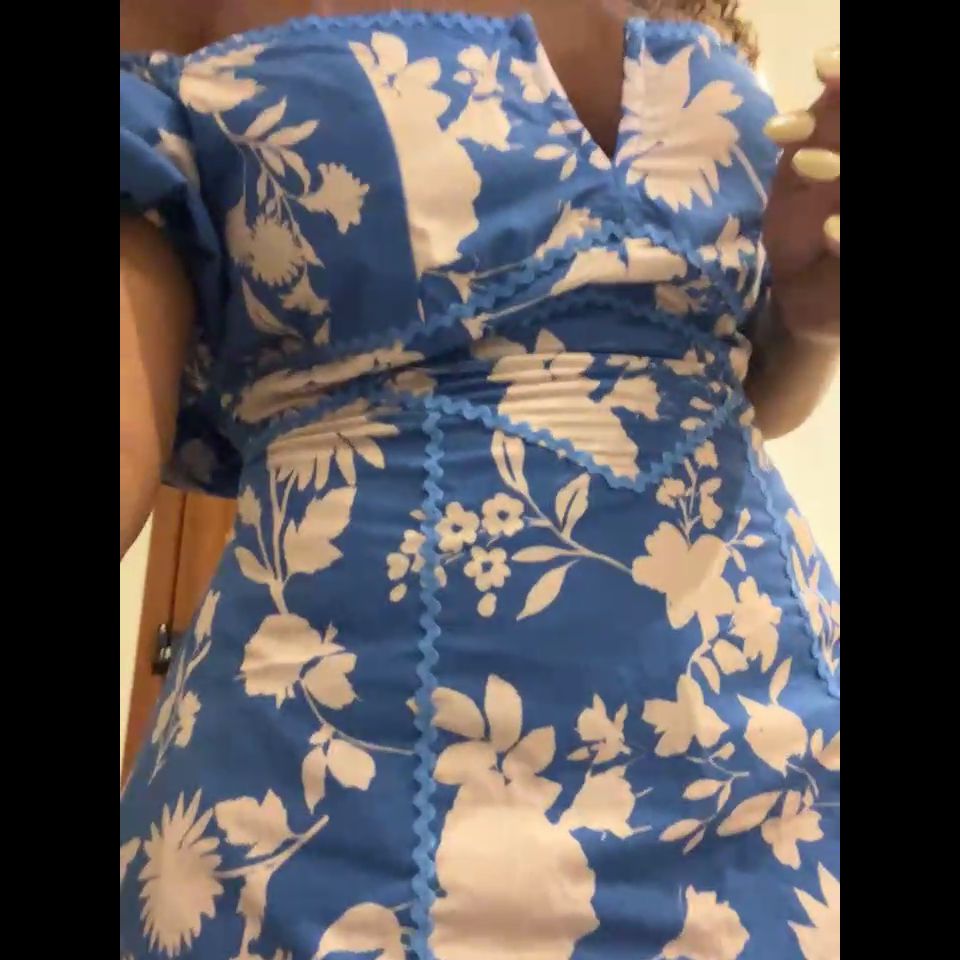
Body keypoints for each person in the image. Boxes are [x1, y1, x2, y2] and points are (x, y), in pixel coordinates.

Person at [119, 2, 840, 958]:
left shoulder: (698, 9)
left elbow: (753, 393)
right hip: (343, 803)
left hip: (773, 760)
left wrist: (812, 314)